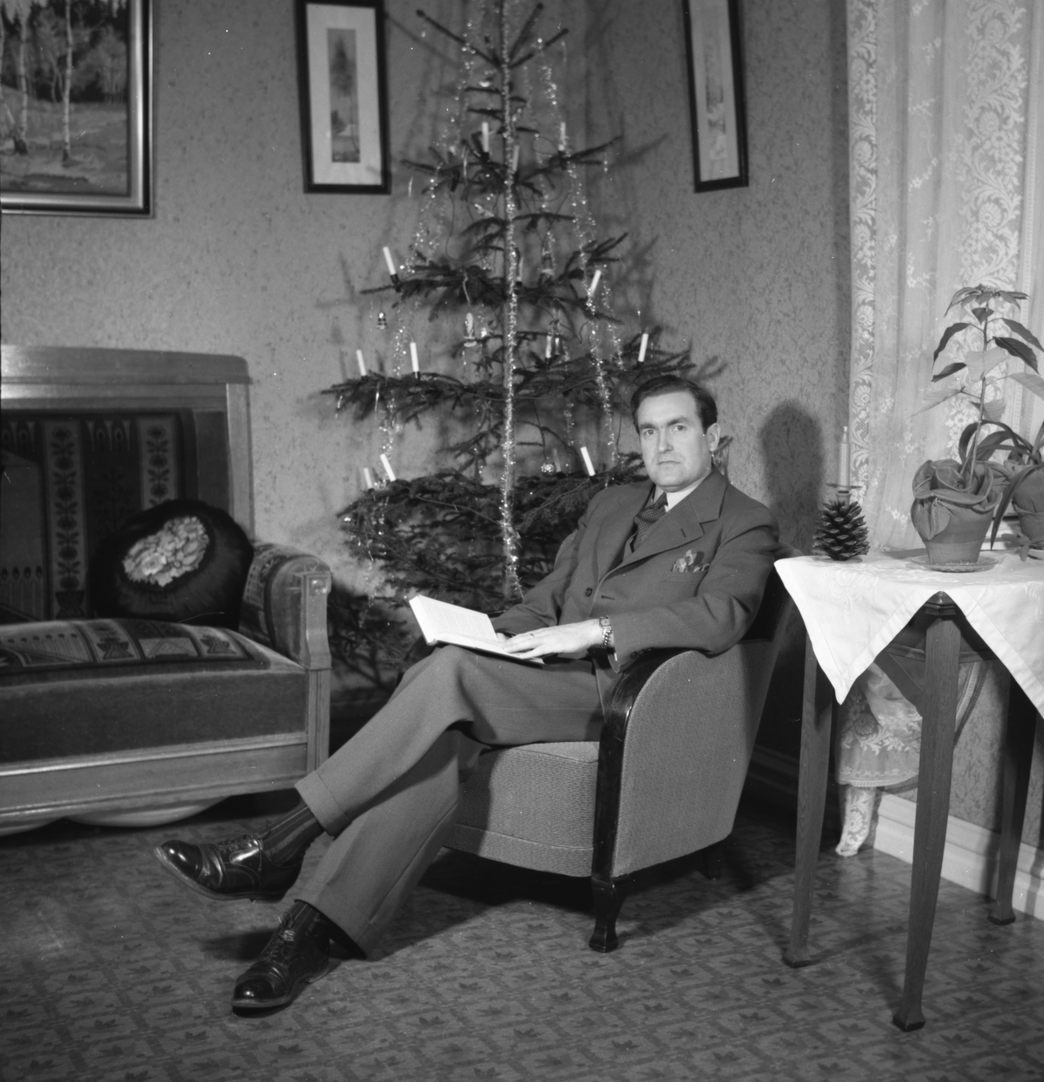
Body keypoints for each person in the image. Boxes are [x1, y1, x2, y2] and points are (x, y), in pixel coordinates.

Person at [155, 374, 780, 1011]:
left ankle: (282, 842)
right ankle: (304, 934)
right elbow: (546, 600)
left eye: (678, 428)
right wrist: (490, 636)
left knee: (450, 675)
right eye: (649, 431)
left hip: (625, 692)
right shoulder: (613, 504)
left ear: (712, 437)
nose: (662, 445)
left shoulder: (745, 522)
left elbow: (723, 615)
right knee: (440, 735)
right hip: (548, 676)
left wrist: (597, 631)